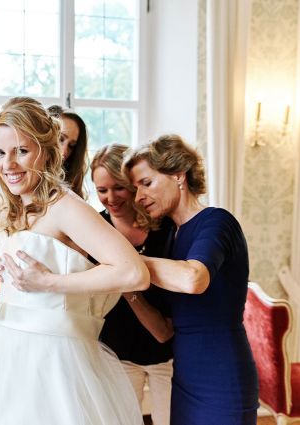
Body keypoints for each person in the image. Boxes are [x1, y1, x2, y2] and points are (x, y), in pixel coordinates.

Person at [0, 100, 149, 424]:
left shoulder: (65, 207)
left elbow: (133, 272)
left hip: (53, 361)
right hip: (2, 353)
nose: (9, 164)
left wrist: (49, 282)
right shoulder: (10, 208)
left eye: (21, 150)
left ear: (47, 152)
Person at [123, 135, 259, 424]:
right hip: (184, 377)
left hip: (221, 377)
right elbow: (163, 330)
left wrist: (125, 261)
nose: (138, 197)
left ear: (178, 175)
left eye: (146, 183)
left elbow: (193, 279)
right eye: (135, 188)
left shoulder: (217, 221)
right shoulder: (173, 235)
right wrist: (126, 287)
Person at [0, 100, 91, 363]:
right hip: (2, 303)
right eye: (61, 139)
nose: (64, 150)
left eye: (71, 145)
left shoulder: (66, 204)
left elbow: (81, 262)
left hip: (49, 319)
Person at [91, 143, 175, 425]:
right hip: (117, 350)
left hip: (168, 351)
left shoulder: (164, 227)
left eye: (118, 188)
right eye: (102, 190)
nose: (110, 198)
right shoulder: (93, 230)